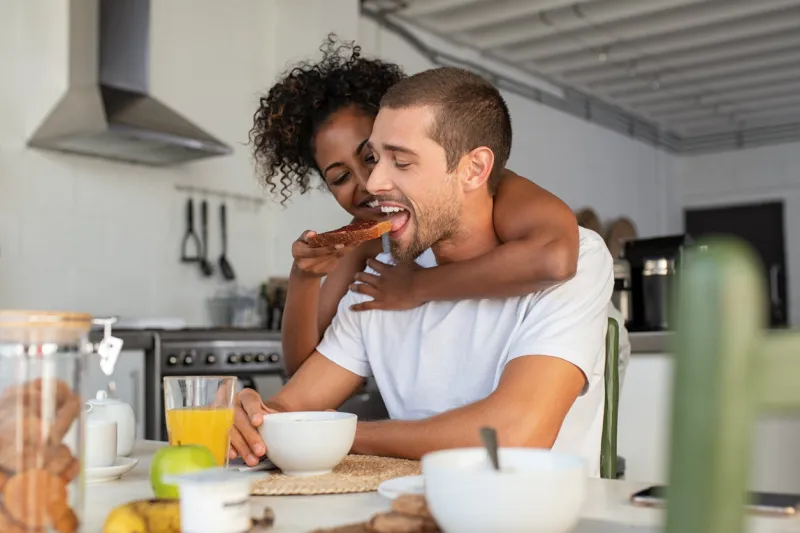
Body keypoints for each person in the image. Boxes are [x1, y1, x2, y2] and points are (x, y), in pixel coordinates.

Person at [234, 65, 614, 476]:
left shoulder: (580, 260)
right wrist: (253, 419)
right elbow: (290, 405)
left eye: (400, 161)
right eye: (374, 160)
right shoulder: (379, 277)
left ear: (473, 170)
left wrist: (338, 434)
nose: (373, 183)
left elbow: (515, 432)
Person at [249, 37, 581, 376]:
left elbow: (553, 258)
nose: (370, 183)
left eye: (372, 157)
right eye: (340, 177)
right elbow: (304, 374)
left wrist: (417, 287)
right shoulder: (364, 243)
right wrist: (304, 277)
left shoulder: (491, 187)